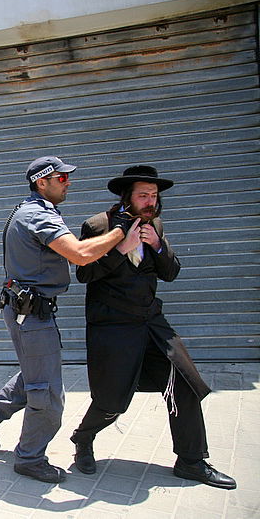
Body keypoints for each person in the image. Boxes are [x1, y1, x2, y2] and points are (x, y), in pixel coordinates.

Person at [0, 156, 140, 483]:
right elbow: (80, 254)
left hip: (24, 308)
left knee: (38, 373)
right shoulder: (37, 215)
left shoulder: (33, 209)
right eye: (61, 178)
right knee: (46, 390)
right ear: (42, 182)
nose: (68, 182)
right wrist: (120, 232)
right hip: (30, 311)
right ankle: (30, 458)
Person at [69, 165, 236, 490]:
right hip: (113, 328)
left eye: (154, 195)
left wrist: (158, 245)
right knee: (111, 401)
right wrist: (120, 249)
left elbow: (170, 272)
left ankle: (191, 461)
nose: (150, 201)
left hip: (151, 324)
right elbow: (84, 275)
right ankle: (83, 439)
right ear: (126, 196)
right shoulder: (97, 225)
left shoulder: (155, 224)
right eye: (143, 195)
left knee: (185, 385)